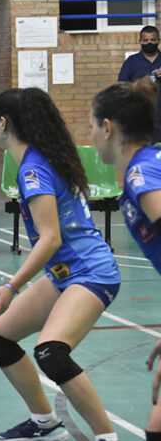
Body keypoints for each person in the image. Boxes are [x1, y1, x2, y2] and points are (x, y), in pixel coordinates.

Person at [0, 88, 121, 441]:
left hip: (90, 272)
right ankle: (44, 420)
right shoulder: (38, 158)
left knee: (52, 353)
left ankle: (106, 437)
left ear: (4, 123)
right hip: (64, 273)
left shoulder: (34, 170)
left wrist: (12, 286)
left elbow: (51, 238)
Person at [90, 78, 161, 440]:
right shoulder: (148, 166)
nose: (91, 137)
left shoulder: (141, 174)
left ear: (108, 127)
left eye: (91, 126)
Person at [118, 25, 161, 142]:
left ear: (158, 41)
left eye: (153, 40)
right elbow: (122, 87)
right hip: (140, 119)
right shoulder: (131, 62)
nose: (149, 43)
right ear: (140, 41)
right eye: (145, 40)